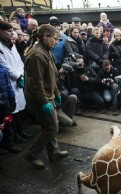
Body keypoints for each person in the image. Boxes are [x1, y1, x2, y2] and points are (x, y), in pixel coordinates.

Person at [24, 24, 68, 168]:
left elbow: (51, 75)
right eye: (54, 39)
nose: (56, 42)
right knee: (51, 127)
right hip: (39, 97)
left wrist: (56, 93)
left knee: (51, 125)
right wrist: (44, 101)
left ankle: (53, 152)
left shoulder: (45, 50)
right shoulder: (37, 54)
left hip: (47, 94)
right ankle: (31, 154)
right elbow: (36, 82)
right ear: (45, 37)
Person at [0, 21, 29, 144]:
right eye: (9, 31)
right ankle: (14, 136)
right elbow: (4, 66)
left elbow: (19, 62)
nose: (12, 33)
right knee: (12, 110)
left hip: (18, 80)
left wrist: (21, 75)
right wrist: (17, 76)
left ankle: (20, 132)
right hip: (9, 82)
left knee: (18, 109)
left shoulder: (12, 45)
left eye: (12, 30)